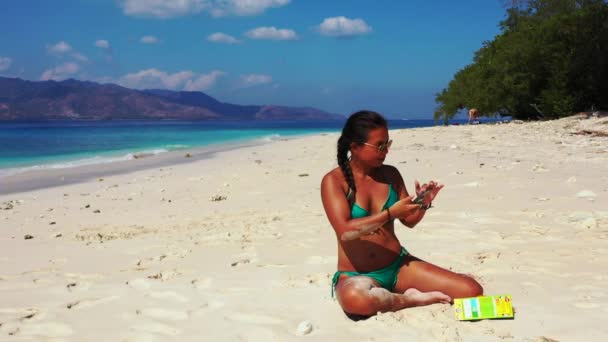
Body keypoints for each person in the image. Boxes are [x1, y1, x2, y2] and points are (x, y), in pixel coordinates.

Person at [321, 110, 483, 318]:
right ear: (355, 146)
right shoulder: (334, 181)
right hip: (357, 275)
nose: (385, 151)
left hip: (398, 266)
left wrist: (422, 203)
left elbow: (409, 221)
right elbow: (345, 232)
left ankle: (397, 293)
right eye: (379, 146)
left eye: (387, 144)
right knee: (356, 300)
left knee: (471, 290)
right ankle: (411, 299)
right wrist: (389, 213)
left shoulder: (390, 174)